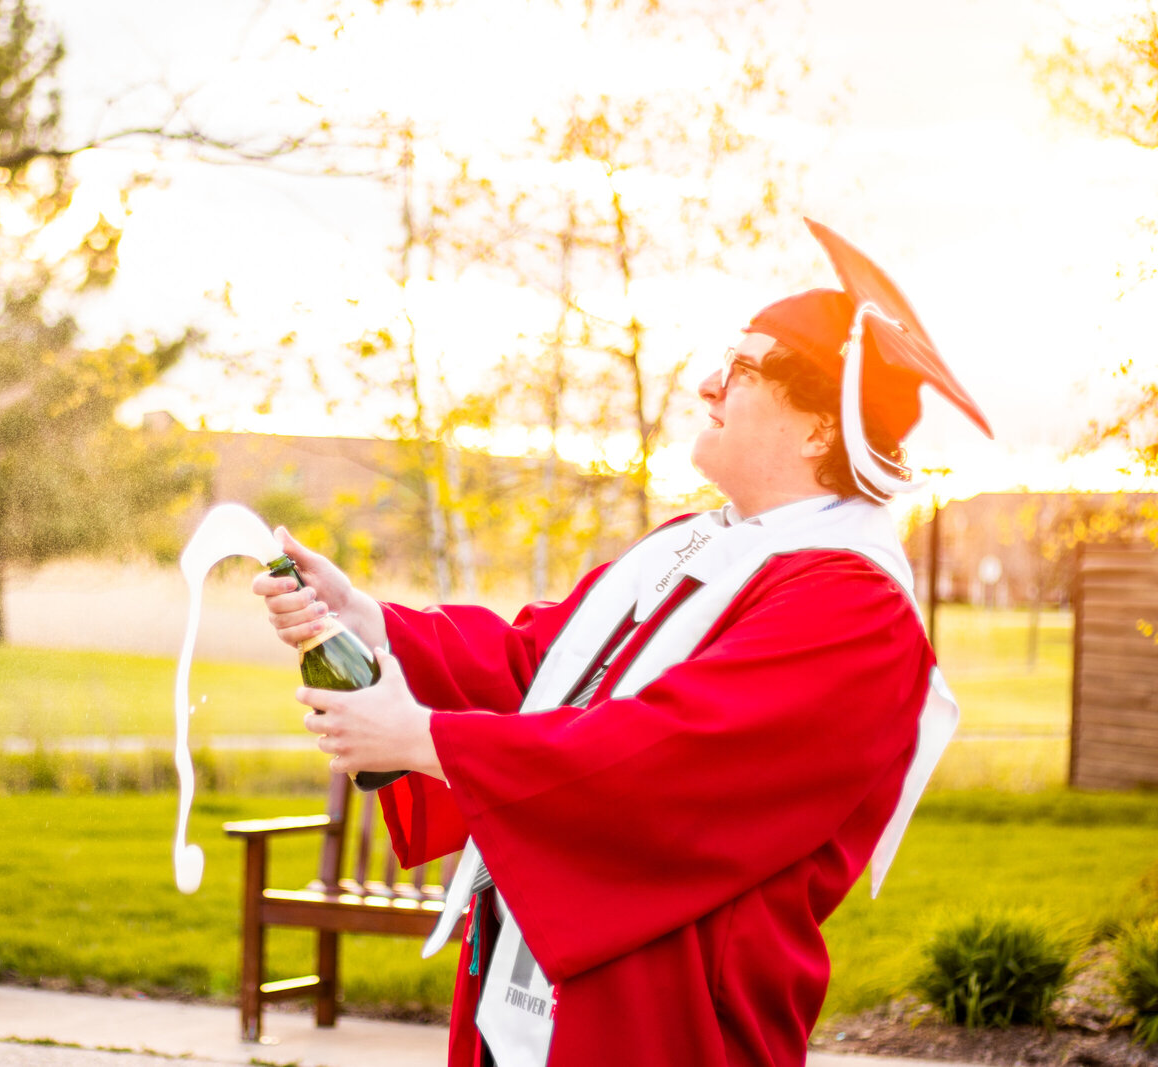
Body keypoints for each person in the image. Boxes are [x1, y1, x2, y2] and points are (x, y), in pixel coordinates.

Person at [250, 218, 993, 1067]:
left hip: (661, 1010)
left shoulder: (854, 606)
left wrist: (422, 737)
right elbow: (537, 665)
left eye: (743, 368)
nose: (708, 383)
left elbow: (671, 760)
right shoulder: (699, 541)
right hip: (523, 990)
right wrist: (364, 615)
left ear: (821, 427)